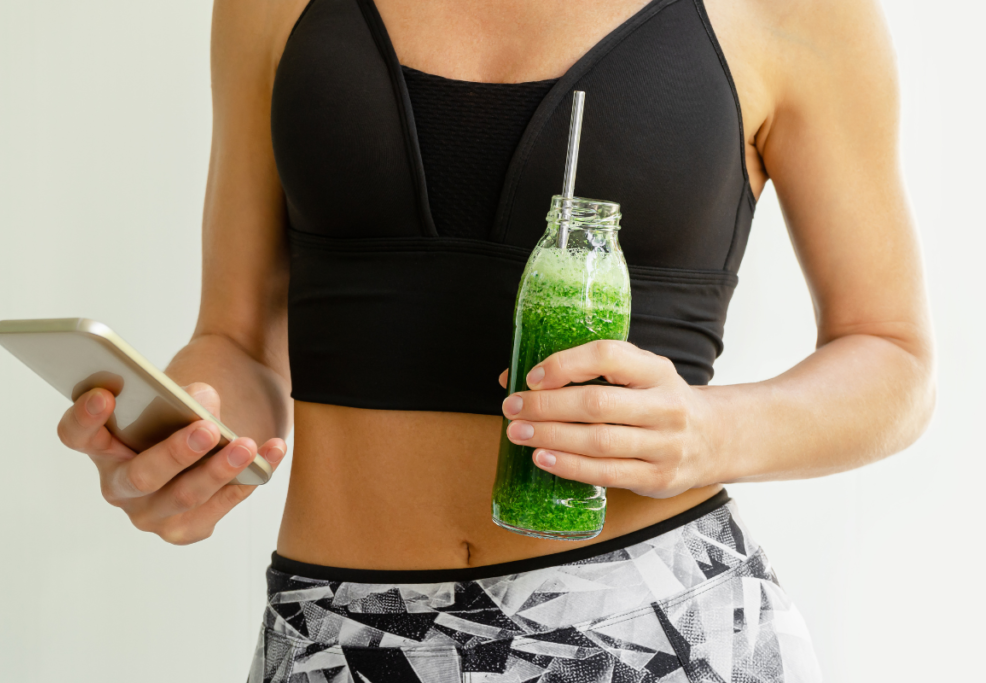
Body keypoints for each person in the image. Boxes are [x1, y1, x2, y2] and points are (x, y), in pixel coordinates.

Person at [55, 0, 935, 681]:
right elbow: (236, 341)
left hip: (649, 625)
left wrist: (709, 433)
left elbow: (892, 356)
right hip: (338, 637)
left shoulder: (795, 13)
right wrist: (191, 438)